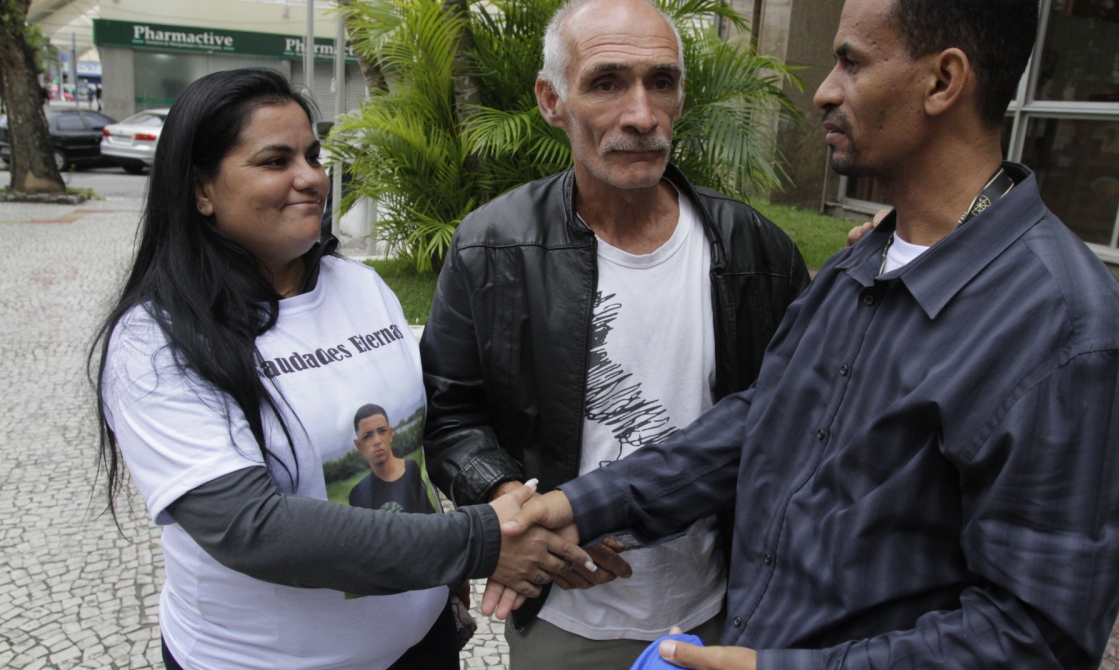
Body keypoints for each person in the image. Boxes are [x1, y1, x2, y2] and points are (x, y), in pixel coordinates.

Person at [502, 0, 1119, 667]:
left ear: (943, 81)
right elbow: (761, 421)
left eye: (851, 63)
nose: (825, 91)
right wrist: (586, 504)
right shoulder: (864, 263)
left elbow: (1037, 640)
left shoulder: (1076, 341)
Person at [92, 68, 592, 670]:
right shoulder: (158, 339)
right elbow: (251, 528)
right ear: (202, 189)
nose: (310, 178)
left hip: (421, 647)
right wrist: (480, 543)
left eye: (312, 155)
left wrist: (505, 515)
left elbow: (423, 433)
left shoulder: (359, 286)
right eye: (275, 161)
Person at [419, 0, 810, 667]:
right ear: (551, 99)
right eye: (606, 83)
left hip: (725, 612)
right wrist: (509, 498)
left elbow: (796, 424)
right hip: (568, 621)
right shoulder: (493, 247)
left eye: (662, 82)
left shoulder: (755, 251)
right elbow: (453, 416)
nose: (641, 114)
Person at [348, 403, 436, 514]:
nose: (377, 441)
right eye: (367, 436)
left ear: (390, 434)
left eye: (382, 431)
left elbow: (430, 519)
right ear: (359, 445)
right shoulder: (358, 494)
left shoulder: (411, 469)